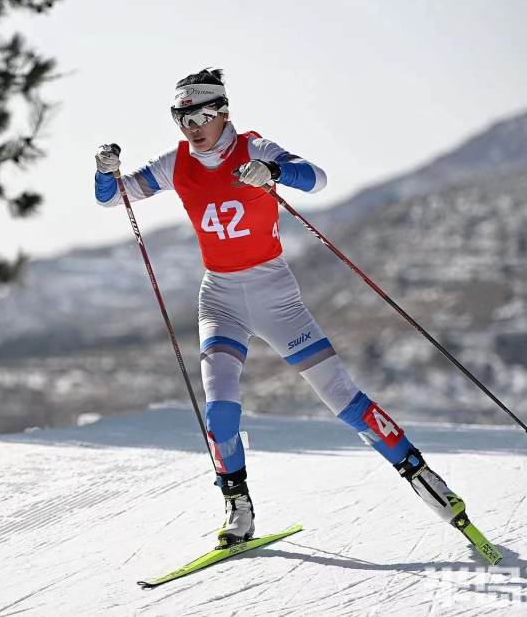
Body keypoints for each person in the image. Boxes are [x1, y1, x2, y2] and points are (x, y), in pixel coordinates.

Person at [93, 68, 477, 550]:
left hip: (275, 293)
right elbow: (116, 197)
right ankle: (238, 506)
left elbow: (316, 179)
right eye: (181, 117)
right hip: (220, 297)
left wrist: (273, 173)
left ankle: (422, 475)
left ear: (224, 113)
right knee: (221, 411)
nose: (191, 127)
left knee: (342, 398)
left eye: (201, 115)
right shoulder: (176, 162)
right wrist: (104, 172)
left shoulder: (253, 147)